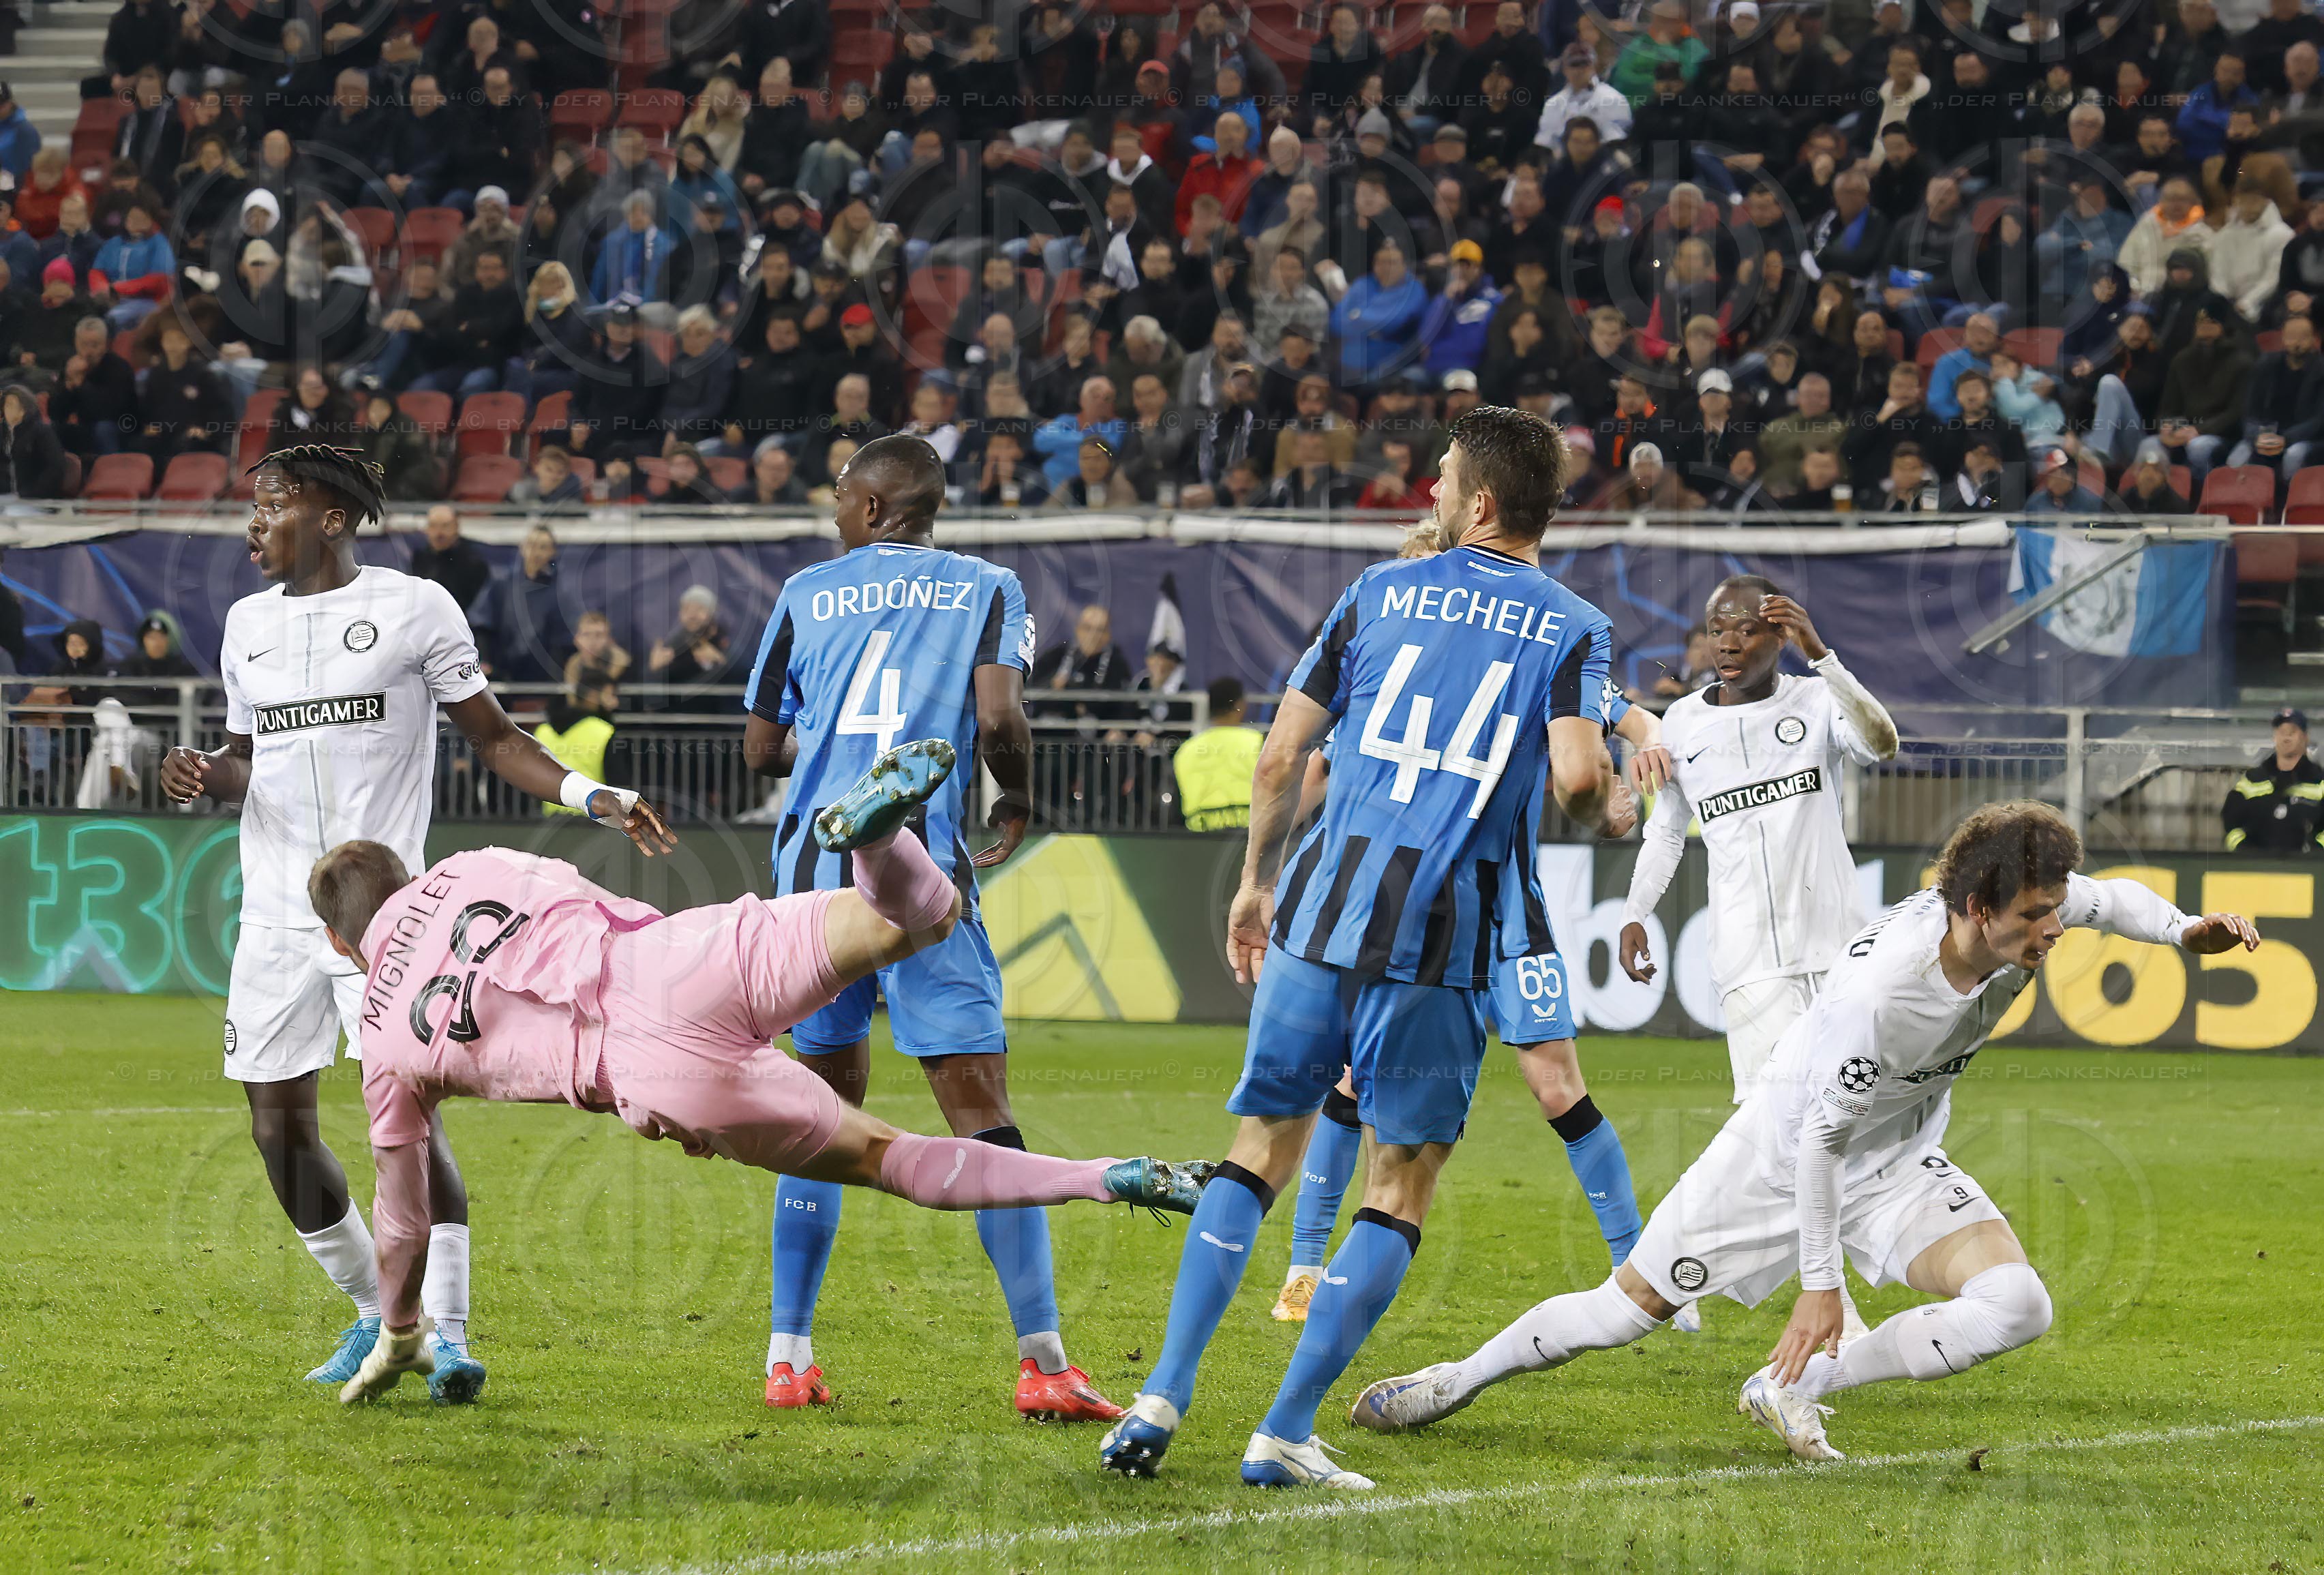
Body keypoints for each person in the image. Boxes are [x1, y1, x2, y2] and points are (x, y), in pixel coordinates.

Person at [1353, 802, 2260, 1460]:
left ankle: (1791, 1385)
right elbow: (1819, 1145)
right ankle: (1455, 1379)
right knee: (1620, 1314)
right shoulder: (1886, 996)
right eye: (2035, 916)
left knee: (2018, 1304)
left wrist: (2184, 930)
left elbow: (2116, 900)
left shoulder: (2025, 911)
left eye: (2053, 909)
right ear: (1977, 907)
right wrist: (1819, 1287)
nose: (2054, 928)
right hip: (1781, 1153)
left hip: (1893, 1158)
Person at [1096, 406, 1628, 1490]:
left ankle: (1164, 1388)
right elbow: (1578, 781)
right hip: (1442, 941)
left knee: (1257, 1150)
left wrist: (1254, 882)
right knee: (1403, 1176)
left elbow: (1281, 753)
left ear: (1478, 500)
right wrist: (1617, 811)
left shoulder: (1375, 594)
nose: (1429, 491)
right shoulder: (1574, 624)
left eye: (1439, 477)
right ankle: (1284, 1427)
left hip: (1317, 914)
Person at [316, 766, 1211, 1403]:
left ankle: (1103, 1175)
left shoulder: (383, 1036)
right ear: (409, 871)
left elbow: (401, 1215)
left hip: (652, 1069)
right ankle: (876, 839)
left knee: (891, 1157)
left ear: (340, 944)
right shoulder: (475, 864)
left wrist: (400, 1328)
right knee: (924, 915)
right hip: (678, 955)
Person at [156, 446, 677, 1405]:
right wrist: (200, 768)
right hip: (274, 915)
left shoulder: (415, 607)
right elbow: (244, 758)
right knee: (278, 1128)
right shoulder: (242, 626)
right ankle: (373, 1312)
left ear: (332, 518)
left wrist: (591, 793)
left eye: (272, 505)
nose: (253, 523)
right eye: (251, 506)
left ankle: (451, 1336)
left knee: (409, 1120)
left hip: (386, 921)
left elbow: (496, 738)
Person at [739, 434, 1126, 1420]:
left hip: (810, 886)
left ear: (873, 507)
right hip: (920, 879)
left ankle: (789, 1356)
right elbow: (998, 723)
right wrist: (1018, 796)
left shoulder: (802, 593)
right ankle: (1043, 1362)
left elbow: (758, 750)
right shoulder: (990, 586)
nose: (832, 511)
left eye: (837, 495)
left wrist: (828, 743)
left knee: (817, 1116)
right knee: (982, 1113)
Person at [1614, 576, 1899, 1333]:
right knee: (1786, 1131)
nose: (1729, 643)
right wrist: (1637, 910)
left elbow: (1882, 743)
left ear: (1781, 636)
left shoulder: (1812, 702)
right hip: (1748, 960)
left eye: (1747, 629)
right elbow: (1667, 829)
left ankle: (1677, 1267)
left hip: (1838, 953)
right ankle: (1821, 1303)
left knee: (1839, 1125)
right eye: (1718, 628)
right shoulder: (1678, 723)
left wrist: (1826, 659)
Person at [2222, 706, 2324, 854]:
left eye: (2292, 732)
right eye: (2281, 732)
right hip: (2256, 872)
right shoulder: (2251, 781)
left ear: (2305, 737)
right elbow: (2231, 826)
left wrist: (2315, 854)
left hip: (2306, 872)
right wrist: (2245, 853)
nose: (2286, 737)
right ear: (2274, 737)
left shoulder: (2319, 782)